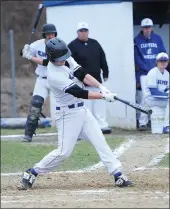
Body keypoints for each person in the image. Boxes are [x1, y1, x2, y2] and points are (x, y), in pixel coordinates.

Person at [21, 37, 132, 190]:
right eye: (60, 59)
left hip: (82, 111)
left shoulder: (66, 57)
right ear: (52, 58)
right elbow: (80, 92)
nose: (64, 60)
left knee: (100, 142)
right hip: (67, 115)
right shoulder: (54, 75)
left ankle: (118, 174)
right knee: (63, 153)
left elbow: (82, 74)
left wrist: (101, 87)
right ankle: (32, 172)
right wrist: (103, 96)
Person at [68, 22, 112, 134]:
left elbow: (102, 57)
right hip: (81, 81)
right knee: (85, 106)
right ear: (77, 32)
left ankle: (102, 125)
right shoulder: (72, 46)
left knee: (100, 103)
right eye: (81, 31)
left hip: (96, 79)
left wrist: (105, 72)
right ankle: (86, 127)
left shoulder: (95, 43)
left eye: (85, 31)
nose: (83, 33)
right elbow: (69, 64)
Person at [21, 23, 58, 142]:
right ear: (44, 35)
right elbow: (23, 54)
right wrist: (24, 50)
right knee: (36, 105)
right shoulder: (37, 45)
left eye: (52, 34)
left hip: (57, 80)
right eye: (48, 34)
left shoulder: (59, 45)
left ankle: (73, 133)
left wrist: (30, 57)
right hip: (42, 79)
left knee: (65, 107)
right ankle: (28, 134)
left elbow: (48, 62)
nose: (50, 36)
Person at [134, 18, 166, 131]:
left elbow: (163, 54)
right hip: (144, 74)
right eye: (145, 27)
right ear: (142, 28)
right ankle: (143, 122)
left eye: (149, 27)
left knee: (157, 96)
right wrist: (148, 69)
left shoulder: (157, 39)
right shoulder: (137, 40)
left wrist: (158, 69)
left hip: (157, 73)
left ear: (152, 27)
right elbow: (137, 58)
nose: (147, 29)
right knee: (145, 97)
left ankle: (155, 120)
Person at [144, 52, 169, 134]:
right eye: (161, 61)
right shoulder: (153, 72)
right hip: (151, 98)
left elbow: (166, 89)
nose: (163, 62)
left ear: (167, 62)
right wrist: (167, 95)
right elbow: (153, 92)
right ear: (157, 62)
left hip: (161, 98)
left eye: (165, 61)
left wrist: (167, 94)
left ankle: (166, 125)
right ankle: (166, 126)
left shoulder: (167, 74)